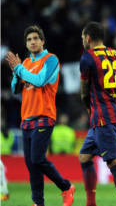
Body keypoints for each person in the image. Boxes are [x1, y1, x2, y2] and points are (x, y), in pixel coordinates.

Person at [5, 25, 75, 206]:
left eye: (36, 38)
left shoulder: (51, 60)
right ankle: (38, 203)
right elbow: (15, 89)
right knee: (31, 165)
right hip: (26, 118)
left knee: (37, 159)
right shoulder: (26, 63)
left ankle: (66, 187)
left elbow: (40, 80)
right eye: (29, 40)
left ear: (42, 41)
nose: (32, 42)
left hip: (44, 115)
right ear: (26, 44)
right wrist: (15, 72)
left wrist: (20, 70)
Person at [78, 22, 116, 206]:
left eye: (82, 38)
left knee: (113, 161)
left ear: (88, 38)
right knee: (85, 156)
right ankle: (91, 202)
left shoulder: (88, 57)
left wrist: (88, 105)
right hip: (110, 112)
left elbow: (84, 92)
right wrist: (115, 94)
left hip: (103, 116)